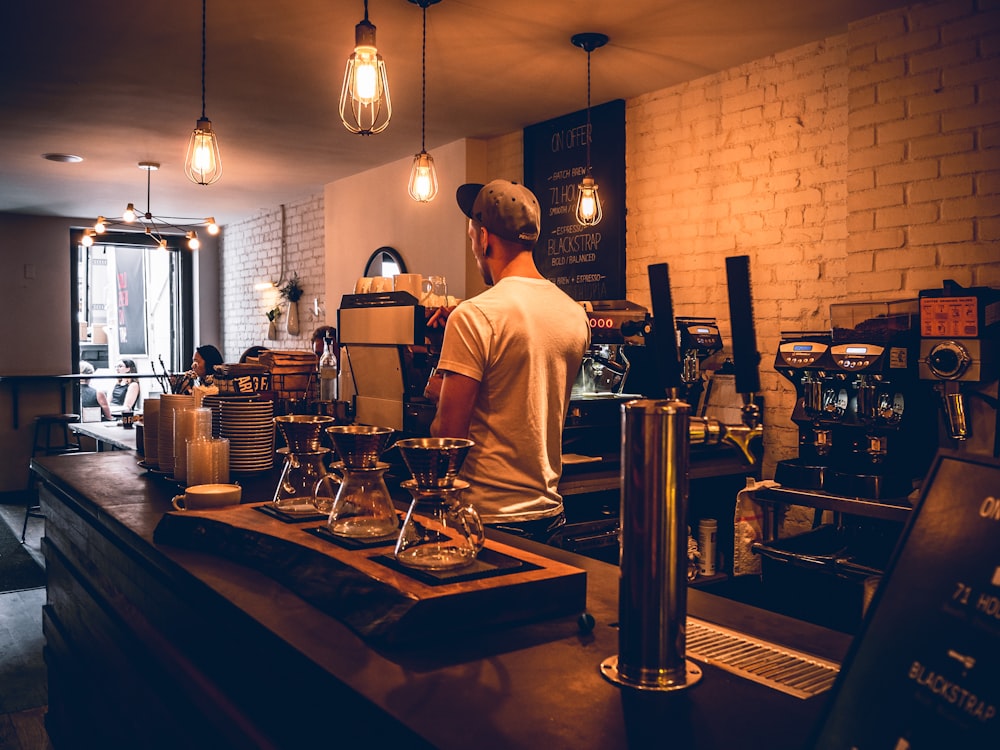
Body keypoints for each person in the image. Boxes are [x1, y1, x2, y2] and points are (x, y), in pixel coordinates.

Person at [426, 180, 590, 541]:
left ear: (484, 238)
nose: (472, 247)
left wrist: (442, 368)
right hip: (551, 517)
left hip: (486, 521)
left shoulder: (473, 317)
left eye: (471, 238)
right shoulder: (574, 314)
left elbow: (447, 439)